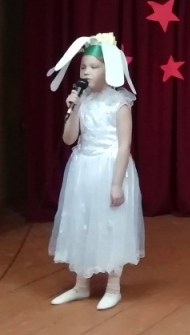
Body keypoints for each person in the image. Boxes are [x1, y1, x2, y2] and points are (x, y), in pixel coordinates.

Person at [44, 32, 144, 310]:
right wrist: (73, 110)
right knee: (82, 221)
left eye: (94, 67)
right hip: (83, 168)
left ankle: (113, 287)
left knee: (111, 224)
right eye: (83, 67)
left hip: (110, 168)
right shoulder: (82, 100)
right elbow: (68, 139)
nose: (87, 71)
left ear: (108, 69)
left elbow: (124, 146)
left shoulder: (120, 103)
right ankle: (81, 285)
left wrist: (116, 184)